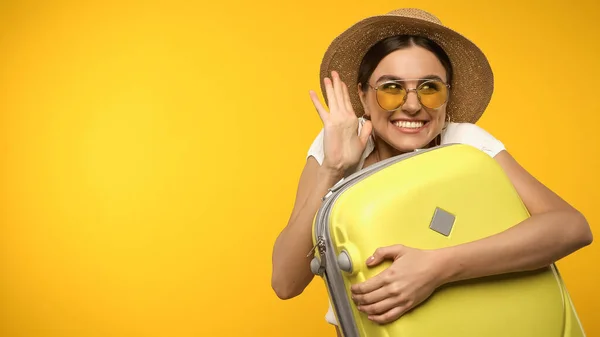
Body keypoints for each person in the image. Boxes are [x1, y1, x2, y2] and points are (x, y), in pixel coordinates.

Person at [271, 7, 593, 335]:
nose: (412, 105)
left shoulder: (465, 144)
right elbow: (285, 282)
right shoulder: (337, 145)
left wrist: (438, 267)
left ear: (447, 95)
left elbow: (571, 227)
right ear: (363, 96)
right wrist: (333, 169)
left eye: (429, 88)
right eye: (391, 88)